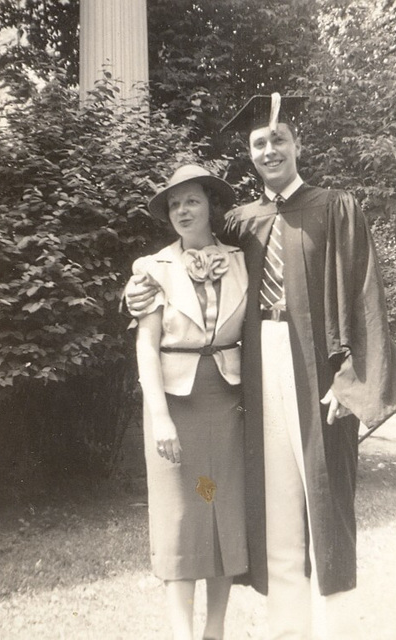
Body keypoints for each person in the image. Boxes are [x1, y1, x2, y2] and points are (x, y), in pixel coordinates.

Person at [127, 95, 396, 640]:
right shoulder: (241, 222)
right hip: (257, 369)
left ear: (297, 144)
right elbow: (186, 257)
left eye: (278, 139)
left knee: (325, 499)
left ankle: (338, 630)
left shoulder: (336, 208)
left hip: (320, 371)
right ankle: (288, 631)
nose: (269, 149)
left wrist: (351, 379)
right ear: (250, 154)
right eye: (259, 143)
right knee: (276, 500)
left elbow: (364, 294)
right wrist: (137, 284)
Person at [133, 164, 248, 640]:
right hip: (175, 404)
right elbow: (146, 345)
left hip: (228, 401)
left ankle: (214, 631)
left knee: (221, 508)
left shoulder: (243, 260)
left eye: (192, 201)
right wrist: (159, 417)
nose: (183, 210)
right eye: (174, 204)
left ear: (210, 206)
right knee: (180, 516)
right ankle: (182, 633)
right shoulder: (151, 268)